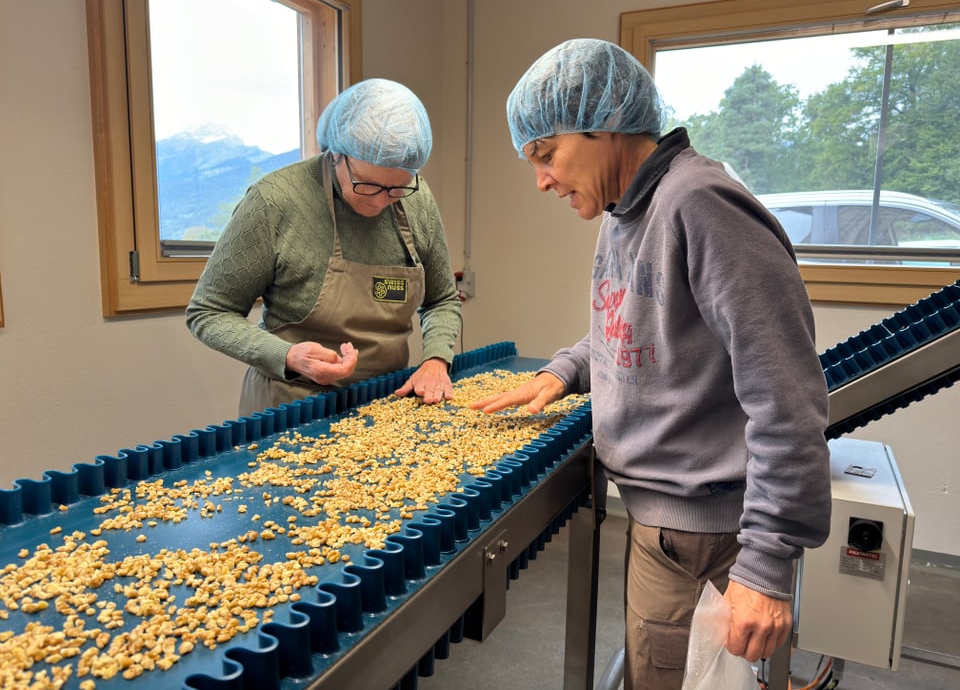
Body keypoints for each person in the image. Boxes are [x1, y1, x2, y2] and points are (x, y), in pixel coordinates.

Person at [471, 39, 832, 689]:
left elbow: (787, 394)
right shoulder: (625, 213)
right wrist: (563, 371)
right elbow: (622, 326)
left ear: (604, 124)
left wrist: (767, 566)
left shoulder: (699, 204)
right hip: (664, 527)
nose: (542, 181)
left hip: (707, 539)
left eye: (546, 155)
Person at [186, 78, 462, 417]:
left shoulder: (418, 199)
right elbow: (208, 312)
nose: (379, 203)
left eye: (396, 190)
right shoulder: (274, 200)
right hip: (290, 406)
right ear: (335, 155)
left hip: (385, 406)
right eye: (367, 185)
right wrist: (286, 355)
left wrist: (436, 358)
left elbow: (442, 300)